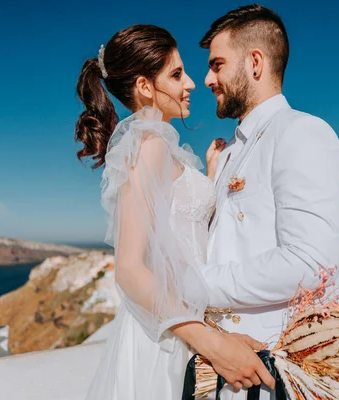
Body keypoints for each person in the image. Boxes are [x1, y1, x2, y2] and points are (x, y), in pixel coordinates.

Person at [77, 24, 274, 400]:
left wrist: (210, 179)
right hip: (169, 338)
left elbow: (180, 226)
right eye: (177, 74)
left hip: (185, 324)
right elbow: (131, 270)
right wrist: (210, 343)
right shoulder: (148, 145)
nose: (192, 84)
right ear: (145, 87)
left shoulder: (161, 147)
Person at [196, 5, 339, 398]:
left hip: (276, 379)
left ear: (255, 62)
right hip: (226, 374)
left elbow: (310, 263)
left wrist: (198, 286)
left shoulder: (302, 133)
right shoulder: (227, 154)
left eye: (217, 65)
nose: (207, 79)